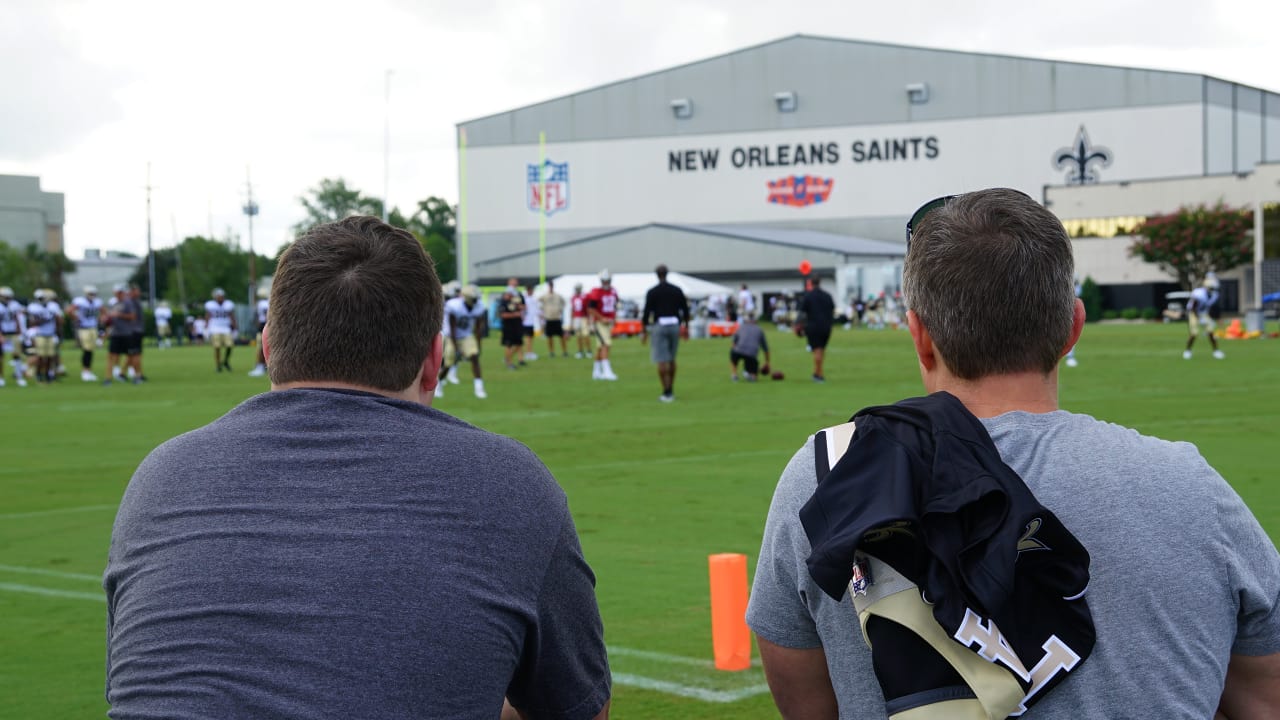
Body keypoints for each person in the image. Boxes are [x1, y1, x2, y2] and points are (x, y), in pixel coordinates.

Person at [745, 188, 1280, 720]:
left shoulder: (826, 475)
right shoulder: (1190, 488)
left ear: (920, 337)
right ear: (1072, 328)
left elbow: (806, 702)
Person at [103, 215, 611, 720]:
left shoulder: (163, 475)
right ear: (435, 362)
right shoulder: (509, 481)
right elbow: (580, 710)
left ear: (268, 348)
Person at [641, 263, 689, 402]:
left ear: (657, 275)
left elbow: (646, 312)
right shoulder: (676, 290)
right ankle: (671, 389)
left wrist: (644, 330)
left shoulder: (652, 291)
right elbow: (685, 310)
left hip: (659, 325)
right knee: (672, 359)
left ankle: (666, 391)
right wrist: (686, 327)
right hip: (674, 324)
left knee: (661, 360)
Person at [436, 284, 488, 399]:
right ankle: (438, 384)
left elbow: (478, 328)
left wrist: (478, 345)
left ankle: (479, 387)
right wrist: (456, 348)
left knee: (474, 357)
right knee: (448, 364)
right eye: (474, 298)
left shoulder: (479, 306)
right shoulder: (455, 306)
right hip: (451, 337)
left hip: (466, 336)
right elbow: (453, 328)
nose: (476, 300)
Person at [797, 276, 835, 382]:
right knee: (821, 350)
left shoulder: (808, 296)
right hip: (826, 327)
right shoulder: (827, 296)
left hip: (813, 326)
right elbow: (832, 310)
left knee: (817, 350)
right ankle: (816, 372)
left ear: (811, 283)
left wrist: (797, 324)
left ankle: (819, 375)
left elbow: (802, 313)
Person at [585, 270, 619, 381]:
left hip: (608, 322)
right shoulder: (596, 292)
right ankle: (607, 372)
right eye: (604, 281)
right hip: (599, 323)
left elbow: (615, 305)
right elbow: (590, 309)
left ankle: (596, 372)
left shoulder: (613, 291)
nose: (606, 283)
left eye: (607, 280)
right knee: (606, 345)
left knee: (600, 347)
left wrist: (614, 317)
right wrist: (601, 318)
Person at [68, 285, 105, 382]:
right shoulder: (80, 301)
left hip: (93, 327)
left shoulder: (97, 302)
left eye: (93, 294)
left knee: (91, 350)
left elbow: (104, 312)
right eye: (90, 293)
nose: (92, 295)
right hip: (83, 328)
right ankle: (85, 371)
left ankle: (88, 371)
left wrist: (101, 319)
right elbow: (69, 310)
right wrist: (76, 318)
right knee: (87, 349)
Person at [1184, 275, 1225, 360]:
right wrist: (1199, 318)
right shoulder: (1199, 293)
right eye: (1212, 288)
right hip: (1193, 313)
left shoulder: (1214, 295)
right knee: (1194, 333)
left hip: (1203, 313)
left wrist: (1218, 318)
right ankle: (1188, 351)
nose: (1213, 290)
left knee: (1211, 332)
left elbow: (1214, 308)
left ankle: (1216, 351)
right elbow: (1193, 307)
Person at [27, 289, 62, 383]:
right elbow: (32, 322)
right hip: (40, 334)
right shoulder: (33, 307)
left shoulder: (53, 306)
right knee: (41, 357)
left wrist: (58, 332)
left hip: (51, 334)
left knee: (50, 356)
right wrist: (44, 319)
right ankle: (39, 374)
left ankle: (48, 374)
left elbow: (58, 321)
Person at [729, 314, 770, 382]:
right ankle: (751, 374)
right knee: (754, 377)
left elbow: (733, 343)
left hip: (737, 351)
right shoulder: (759, 330)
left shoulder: (741, 327)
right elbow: (765, 349)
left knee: (733, 353)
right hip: (751, 354)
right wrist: (767, 363)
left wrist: (734, 351)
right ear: (756, 321)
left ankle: (734, 375)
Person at [0, 286, 28, 387]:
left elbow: (18, 317)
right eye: (5, 297)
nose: (7, 299)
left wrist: (20, 332)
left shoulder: (14, 305)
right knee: (1, 357)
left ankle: (19, 376)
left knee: (17, 356)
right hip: (3, 333)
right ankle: (1, 378)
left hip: (13, 333)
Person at [205, 287, 237, 372]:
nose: (220, 298)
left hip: (226, 328)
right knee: (217, 347)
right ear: (215, 297)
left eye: (221, 296)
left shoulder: (228, 304)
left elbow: (231, 315)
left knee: (229, 345)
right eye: (218, 296)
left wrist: (235, 325)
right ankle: (218, 365)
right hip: (214, 327)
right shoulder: (210, 305)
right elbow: (208, 315)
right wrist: (206, 327)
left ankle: (226, 361)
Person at [498, 288, 525, 370]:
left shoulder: (515, 302)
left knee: (518, 344)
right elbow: (502, 315)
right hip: (508, 327)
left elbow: (523, 308)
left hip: (517, 327)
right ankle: (509, 363)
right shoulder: (503, 303)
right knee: (508, 345)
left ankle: (508, 358)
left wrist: (520, 308)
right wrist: (514, 315)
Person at [540, 280, 568, 358]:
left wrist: (561, 309)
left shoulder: (557, 295)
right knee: (549, 336)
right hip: (549, 318)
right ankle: (551, 352)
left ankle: (565, 351)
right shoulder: (545, 296)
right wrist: (542, 310)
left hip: (557, 318)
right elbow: (538, 302)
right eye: (550, 285)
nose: (551, 287)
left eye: (552, 285)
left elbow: (564, 302)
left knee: (561, 336)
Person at [249, 287, 270, 376]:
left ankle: (260, 366)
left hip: (263, 325)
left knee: (261, 347)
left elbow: (261, 316)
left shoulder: (261, 304)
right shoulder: (268, 302)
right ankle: (264, 365)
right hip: (269, 325)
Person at [570, 283, 593, 359]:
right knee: (578, 336)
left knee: (586, 335)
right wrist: (572, 321)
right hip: (577, 318)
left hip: (583, 317)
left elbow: (588, 308)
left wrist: (589, 318)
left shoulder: (584, 297)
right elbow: (573, 309)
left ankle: (589, 351)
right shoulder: (573, 297)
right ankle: (580, 351)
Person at [521, 282, 540, 362]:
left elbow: (535, 310)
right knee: (527, 338)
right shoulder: (524, 299)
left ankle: (530, 352)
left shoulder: (533, 299)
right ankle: (528, 353)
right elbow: (522, 310)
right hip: (526, 321)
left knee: (531, 338)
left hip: (531, 321)